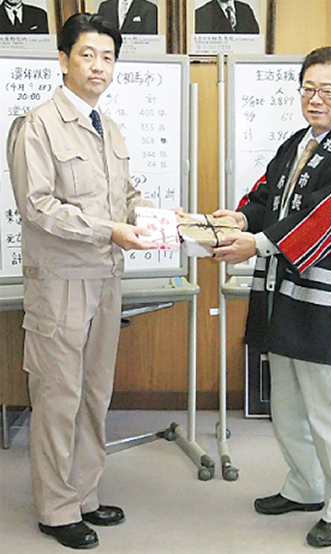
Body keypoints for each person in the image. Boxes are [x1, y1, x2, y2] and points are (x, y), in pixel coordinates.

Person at [212, 47, 331, 548]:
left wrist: (256, 243)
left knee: (330, 407)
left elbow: (328, 216)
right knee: (288, 402)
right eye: (308, 89)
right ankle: (305, 486)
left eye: (327, 91)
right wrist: (241, 218)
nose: (315, 99)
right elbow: (268, 195)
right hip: (284, 293)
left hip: (328, 301)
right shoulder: (298, 142)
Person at [7, 13, 157, 550]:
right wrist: (109, 230)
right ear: (64, 60)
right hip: (61, 283)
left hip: (106, 278)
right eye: (87, 54)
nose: (98, 66)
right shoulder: (37, 125)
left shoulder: (107, 127)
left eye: (108, 57)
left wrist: (158, 219)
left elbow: (125, 197)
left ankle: (85, 494)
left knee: (95, 392)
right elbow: (38, 206)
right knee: (58, 395)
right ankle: (56, 508)